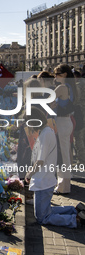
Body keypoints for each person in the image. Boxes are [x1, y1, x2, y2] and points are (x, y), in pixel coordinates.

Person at [24, 107, 81, 228]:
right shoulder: (47, 131)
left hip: (43, 181)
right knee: (46, 211)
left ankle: (74, 220)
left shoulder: (45, 134)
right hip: (46, 179)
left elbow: (40, 161)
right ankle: (73, 210)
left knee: (42, 217)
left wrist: (29, 174)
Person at [52, 64, 78, 194]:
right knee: (65, 153)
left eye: (57, 74)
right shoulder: (70, 87)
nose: (55, 76)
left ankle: (63, 186)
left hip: (62, 122)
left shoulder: (62, 87)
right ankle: (64, 184)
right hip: (66, 121)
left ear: (65, 75)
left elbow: (48, 98)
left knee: (62, 155)